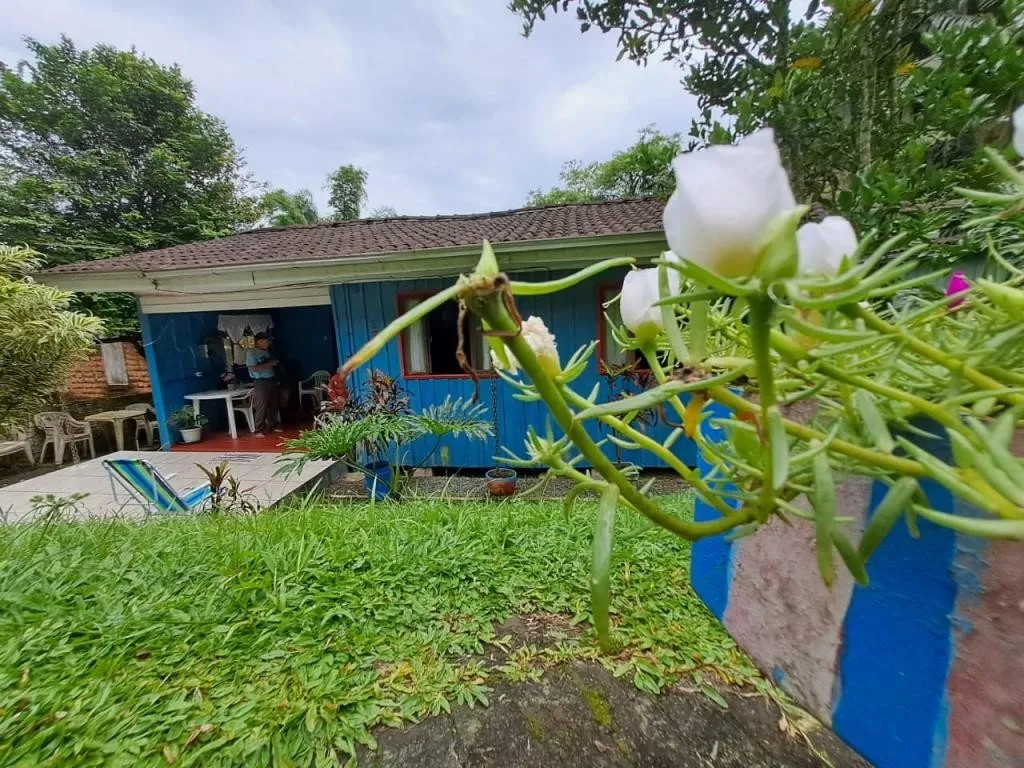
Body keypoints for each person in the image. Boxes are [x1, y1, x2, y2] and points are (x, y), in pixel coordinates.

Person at [246, 332, 281, 436]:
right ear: (259, 341)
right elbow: (253, 368)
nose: (268, 343)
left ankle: (273, 425)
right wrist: (270, 364)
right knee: (262, 405)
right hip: (261, 381)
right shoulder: (251, 352)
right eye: (267, 341)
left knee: (274, 404)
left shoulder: (266, 352)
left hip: (272, 379)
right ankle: (259, 430)